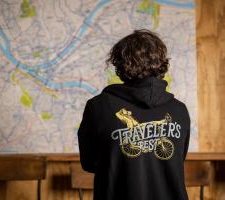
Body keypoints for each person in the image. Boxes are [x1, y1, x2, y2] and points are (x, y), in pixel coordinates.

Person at [77, 29, 190, 200]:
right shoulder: (179, 110)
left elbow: (90, 163)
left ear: (120, 65)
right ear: (161, 63)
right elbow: (177, 159)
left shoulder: (98, 107)